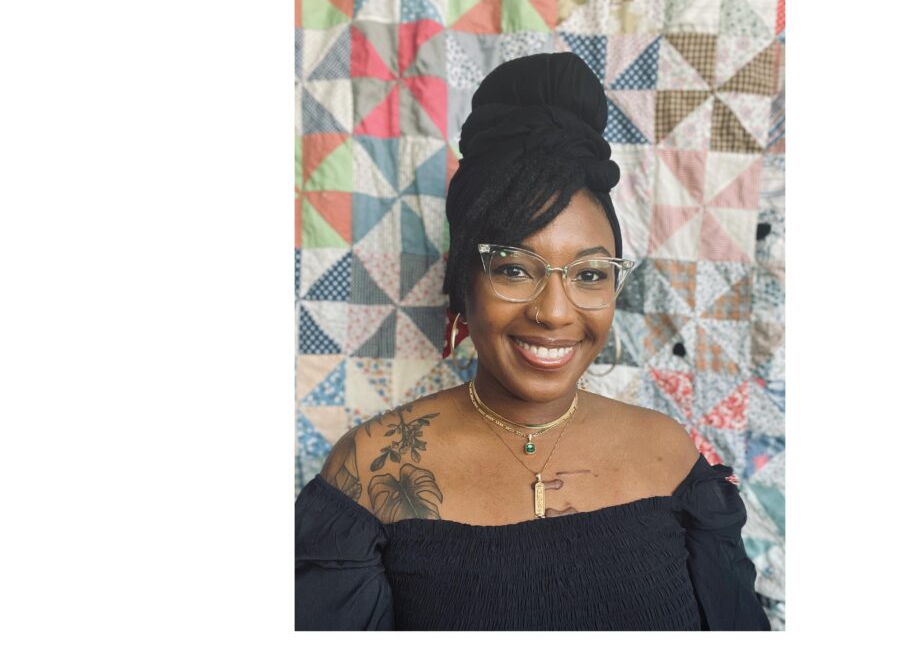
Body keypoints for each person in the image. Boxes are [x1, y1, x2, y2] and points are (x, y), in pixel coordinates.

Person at [295, 52, 770, 631]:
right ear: (462, 281)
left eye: (590, 275)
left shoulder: (671, 459)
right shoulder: (368, 473)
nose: (553, 312)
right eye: (515, 269)